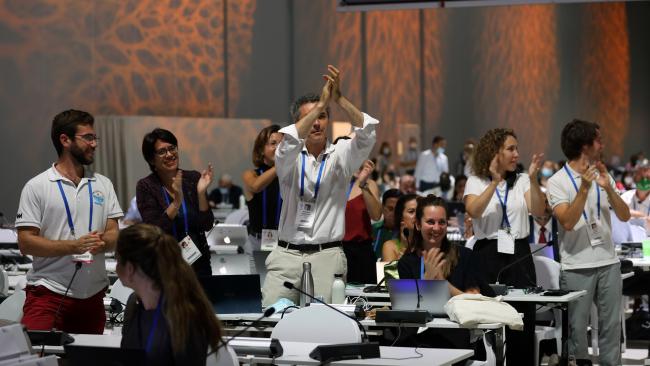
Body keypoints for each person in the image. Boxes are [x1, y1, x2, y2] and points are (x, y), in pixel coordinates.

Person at [262, 65, 378, 305]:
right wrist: (319, 106)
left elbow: (367, 133)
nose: (316, 123)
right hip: (286, 256)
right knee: (270, 321)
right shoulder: (287, 155)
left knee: (326, 326)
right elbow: (292, 138)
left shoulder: (342, 154)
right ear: (298, 123)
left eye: (322, 116)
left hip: (328, 256)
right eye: (310, 117)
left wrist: (338, 99)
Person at [16, 109, 122, 333]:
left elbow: (114, 232)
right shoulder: (38, 186)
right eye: (88, 138)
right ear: (65, 140)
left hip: (93, 297)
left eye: (95, 138)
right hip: (48, 294)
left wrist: (104, 242)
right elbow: (26, 243)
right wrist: (73, 246)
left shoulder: (103, 184)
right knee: (36, 357)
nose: (94, 144)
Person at [546, 119, 631, 366]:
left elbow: (624, 215)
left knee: (611, 327)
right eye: (598, 140)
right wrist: (583, 189)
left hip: (608, 261)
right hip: (576, 265)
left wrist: (610, 190)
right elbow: (568, 222)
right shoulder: (557, 181)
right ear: (585, 146)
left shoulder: (603, 175)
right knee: (576, 331)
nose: (602, 144)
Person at [463, 127, 545, 365]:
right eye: (510, 149)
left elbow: (539, 211)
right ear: (494, 152)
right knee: (487, 320)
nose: (516, 154)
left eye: (517, 148)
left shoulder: (521, 181)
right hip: (487, 255)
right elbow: (473, 210)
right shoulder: (475, 181)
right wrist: (494, 183)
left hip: (519, 254)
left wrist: (532, 178)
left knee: (521, 320)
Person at [117, 224, 223, 365]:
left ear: (130, 268)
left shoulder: (184, 314)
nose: (116, 266)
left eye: (117, 260)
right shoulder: (133, 304)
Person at [136, 128, 214, 277]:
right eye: (162, 151)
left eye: (172, 148)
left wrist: (201, 193)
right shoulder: (146, 186)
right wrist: (176, 202)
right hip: (165, 266)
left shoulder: (192, 178)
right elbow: (154, 230)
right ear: (151, 159)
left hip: (199, 264)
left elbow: (206, 224)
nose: (170, 154)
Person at [398, 195, 493, 295]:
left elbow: (476, 300)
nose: (436, 228)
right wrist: (426, 281)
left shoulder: (465, 256)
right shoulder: (406, 263)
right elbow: (409, 304)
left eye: (442, 222)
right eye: (430, 222)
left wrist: (442, 283)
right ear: (418, 224)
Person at [242, 124, 283, 272]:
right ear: (261, 150)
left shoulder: (289, 176)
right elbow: (255, 186)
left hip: (283, 243)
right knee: (256, 289)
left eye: (282, 144)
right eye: (273, 144)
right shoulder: (251, 174)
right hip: (257, 243)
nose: (279, 147)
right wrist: (281, 163)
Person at [343, 159, 382, 284]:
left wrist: (363, 183)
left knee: (365, 298)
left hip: (361, 250)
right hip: (336, 250)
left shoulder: (369, 184)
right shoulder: (333, 184)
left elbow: (376, 215)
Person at [382, 194, 418, 262]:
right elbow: (391, 273)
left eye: (419, 211)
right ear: (401, 216)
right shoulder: (390, 247)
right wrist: (404, 248)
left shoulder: (426, 244)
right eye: (411, 211)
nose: (417, 215)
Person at [621, 160, 650, 233]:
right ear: (634, 177)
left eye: (647, 176)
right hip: (630, 242)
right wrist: (642, 215)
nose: (644, 180)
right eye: (640, 176)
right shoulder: (625, 197)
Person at [371, 189, 402, 258]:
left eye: (397, 209)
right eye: (390, 209)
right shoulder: (372, 230)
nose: (394, 213)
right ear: (382, 208)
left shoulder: (405, 234)